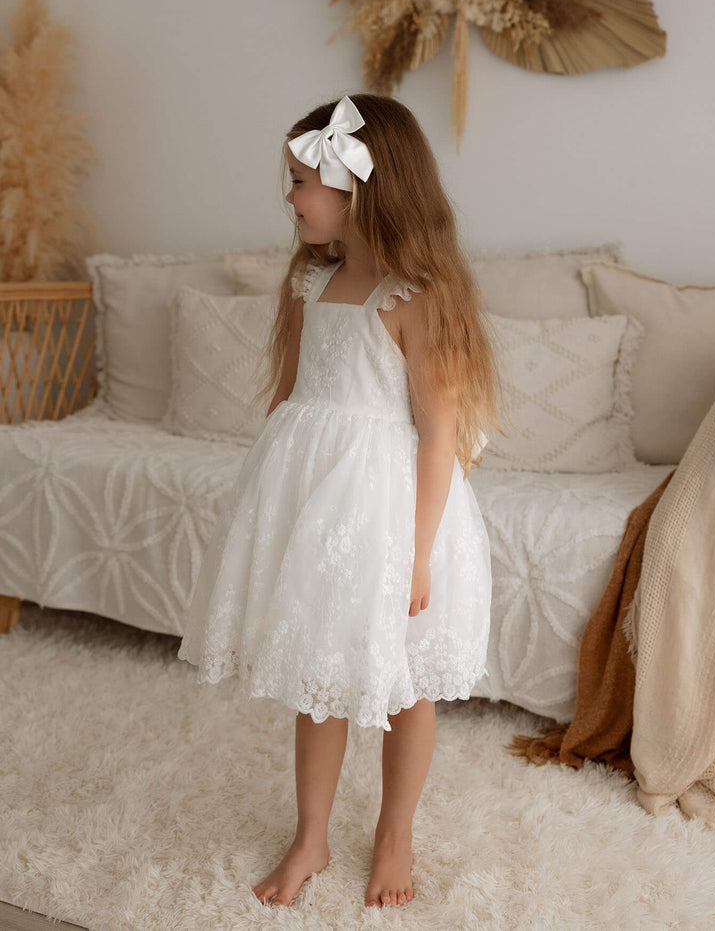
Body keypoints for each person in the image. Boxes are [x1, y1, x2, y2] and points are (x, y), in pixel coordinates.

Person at [177, 93, 504, 909]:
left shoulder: (416, 295)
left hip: (391, 513)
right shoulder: (310, 280)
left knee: (406, 685)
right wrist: (273, 506)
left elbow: (437, 435)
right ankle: (311, 834)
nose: (288, 198)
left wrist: (420, 552)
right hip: (316, 505)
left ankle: (394, 833)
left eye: (299, 181)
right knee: (315, 675)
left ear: (357, 185)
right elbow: (293, 401)